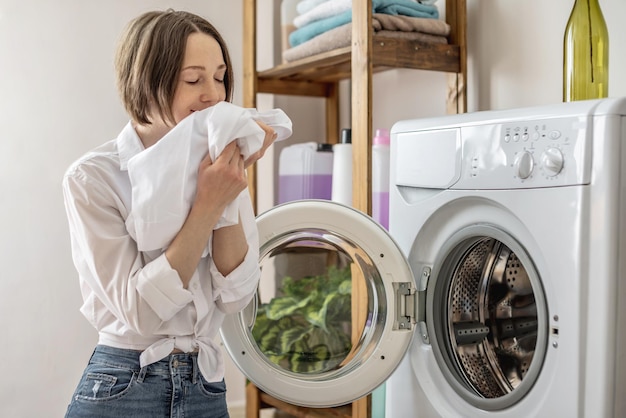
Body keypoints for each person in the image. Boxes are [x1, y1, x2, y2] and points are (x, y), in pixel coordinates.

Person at [63, 9, 276, 418]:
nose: (213, 95)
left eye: (219, 77)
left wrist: (226, 195)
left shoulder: (222, 163)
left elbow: (236, 296)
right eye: (193, 80)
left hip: (206, 383)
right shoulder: (93, 178)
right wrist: (208, 205)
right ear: (145, 82)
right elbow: (141, 312)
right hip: (125, 384)